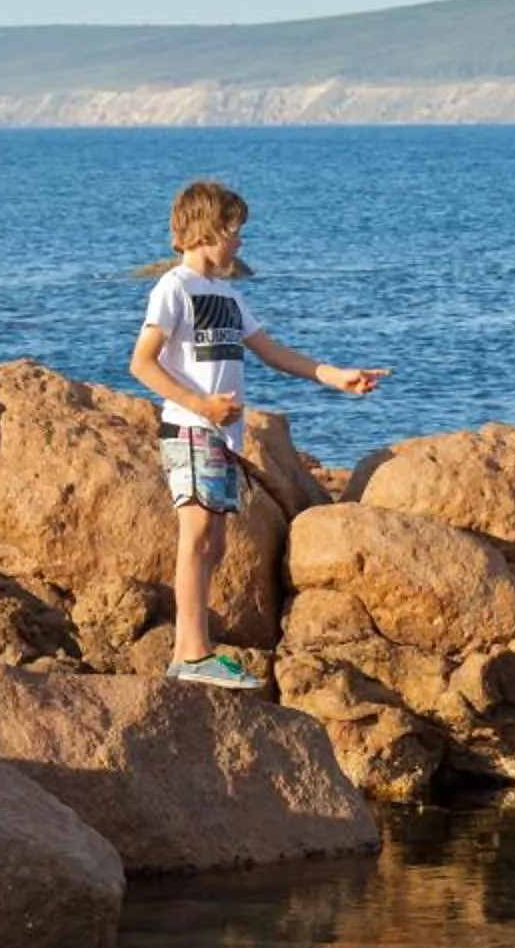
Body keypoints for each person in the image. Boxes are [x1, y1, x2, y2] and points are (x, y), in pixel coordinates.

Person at [127, 180, 385, 689]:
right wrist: (202, 404)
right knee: (196, 535)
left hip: (223, 437)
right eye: (233, 231)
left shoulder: (226, 295)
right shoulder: (174, 289)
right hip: (190, 427)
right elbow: (141, 363)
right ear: (204, 231)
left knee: (216, 541)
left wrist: (336, 375)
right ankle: (192, 652)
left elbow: (275, 353)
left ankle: (190, 649)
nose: (239, 242)